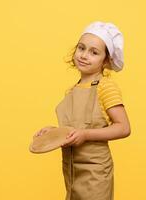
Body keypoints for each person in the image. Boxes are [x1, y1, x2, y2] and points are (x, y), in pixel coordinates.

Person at [34, 21, 131, 200]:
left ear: (106, 60)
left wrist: (85, 135)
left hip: (95, 174)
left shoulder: (106, 87)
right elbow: (74, 130)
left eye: (94, 52)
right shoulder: (72, 90)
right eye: (81, 48)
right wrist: (54, 132)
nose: (84, 55)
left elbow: (123, 128)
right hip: (72, 172)